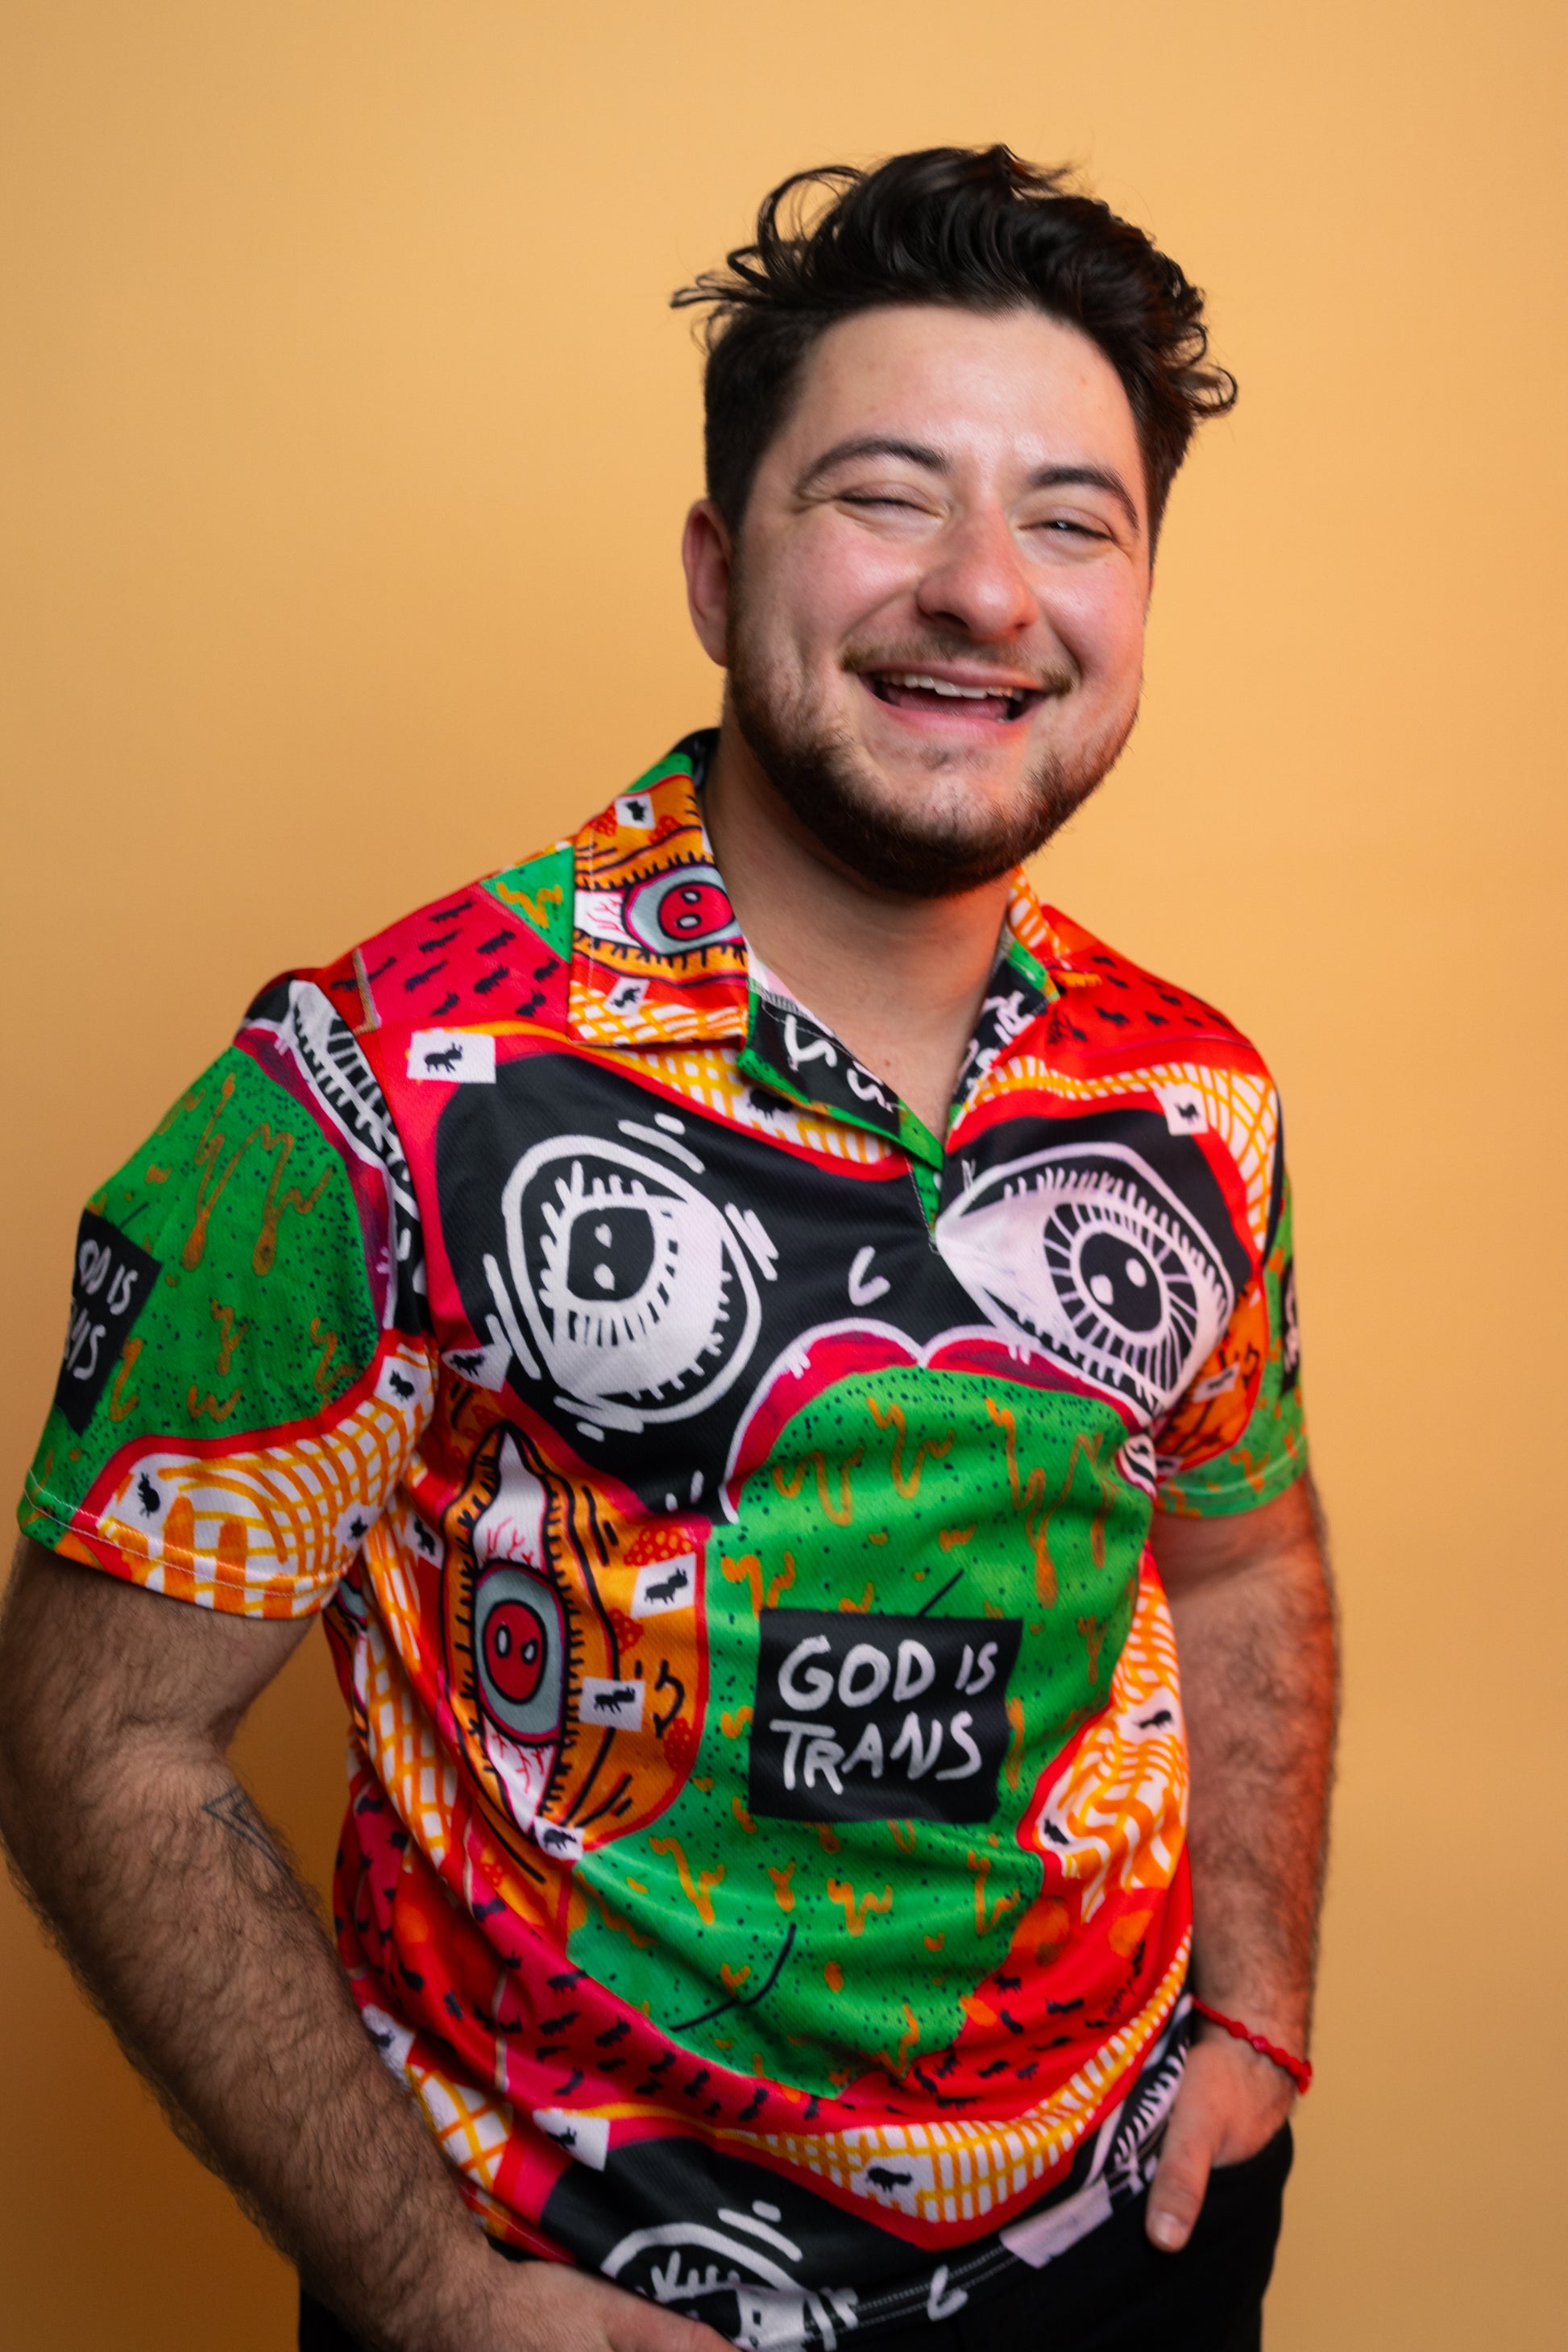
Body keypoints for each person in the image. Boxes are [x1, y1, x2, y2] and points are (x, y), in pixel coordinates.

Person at [0, 147, 1336, 2352]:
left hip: (1131, 2246)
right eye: (885, 496)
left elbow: (1239, 1557)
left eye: (1072, 522)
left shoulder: (1194, 1096)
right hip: (592, 2305)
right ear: (720, 573)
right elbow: (96, 1737)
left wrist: (1257, 2019)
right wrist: (433, 2299)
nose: (984, 593)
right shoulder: (372, 1090)